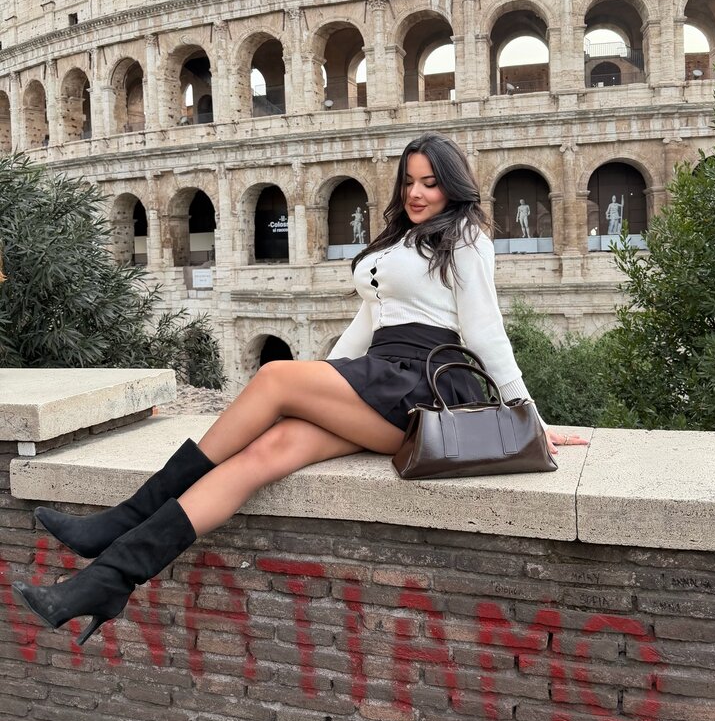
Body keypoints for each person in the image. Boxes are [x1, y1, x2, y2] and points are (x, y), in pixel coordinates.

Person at [12, 132, 588, 646]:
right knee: (265, 453)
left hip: (422, 388)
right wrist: (324, 385)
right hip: (379, 378)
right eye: (409, 181)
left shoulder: (465, 237)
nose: (417, 193)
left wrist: (527, 415)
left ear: (453, 186)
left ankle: (126, 517)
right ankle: (108, 580)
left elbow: (485, 331)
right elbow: (366, 325)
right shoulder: (399, 239)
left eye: (431, 183)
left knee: (273, 377)